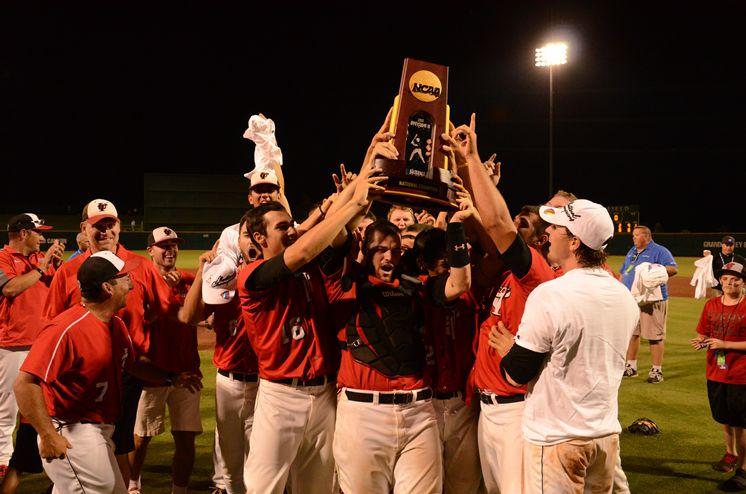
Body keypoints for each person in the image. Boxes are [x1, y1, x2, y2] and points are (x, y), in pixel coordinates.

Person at [238, 159, 386, 493]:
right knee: (263, 487)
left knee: (318, 487)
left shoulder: (312, 270)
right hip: (280, 397)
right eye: (281, 227)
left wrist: (361, 179)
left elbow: (327, 236)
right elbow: (303, 249)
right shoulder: (251, 275)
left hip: (324, 394)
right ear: (259, 237)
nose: (291, 230)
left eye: (291, 224)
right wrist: (353, 202)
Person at [14, 252, 201, 493]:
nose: (131, 282)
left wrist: (170, 378)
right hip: (73, 433)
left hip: (100, 430)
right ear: (107, 287)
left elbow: (132, 364)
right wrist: (48, 435)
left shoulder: (115, 324)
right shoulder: (65, 329)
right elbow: (24, 384)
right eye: (124, 277)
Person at [490, 199, 639, 493]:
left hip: (557, 439)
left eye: (557, 227)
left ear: (574, 242)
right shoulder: (624, 295)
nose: (549, 232)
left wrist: (508, 349)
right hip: (605, 435)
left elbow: (516, 374)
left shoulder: (551, 294)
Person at [442, 113, 555, 493]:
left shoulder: (535, 276)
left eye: (526, 223)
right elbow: (488, 235)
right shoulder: (503, 276)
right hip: (486, 409)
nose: (515, 224)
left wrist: (469, 161)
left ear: (537, 241)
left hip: (515, 409)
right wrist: (470, 179)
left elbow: (498, 229)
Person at [43, 199, 170, 484]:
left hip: (128, 370)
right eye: (98, 226)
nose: (105, 232)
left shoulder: (140, 266)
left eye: (110, 225)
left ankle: (123, 487)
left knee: (120, 440)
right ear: (84, 228)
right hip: (78, 378)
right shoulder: (68, 271)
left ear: (119, 227)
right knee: (78, 443)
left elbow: (164, 312)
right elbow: (50, 325)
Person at [180, 245, 260, 494]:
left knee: (260, 454)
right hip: (229, 379)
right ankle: (224, 486)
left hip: (264, 382)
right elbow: (188, 317)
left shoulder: (268, 283)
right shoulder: (223, 285)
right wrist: (202, 273)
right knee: (228, 452)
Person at [129, 227, 202, 494]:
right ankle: (133, 485)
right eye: (163, 245)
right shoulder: (138, 281)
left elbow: (209, 294)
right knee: (141, 438)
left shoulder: (186, 280)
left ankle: (178, 491)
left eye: (174, 245)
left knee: (186, 438)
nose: (170, 249)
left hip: (188, 370)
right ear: (150, 250)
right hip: (153, 372)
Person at [414, 224, 483, 493]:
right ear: (423, 264)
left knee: (464, 486)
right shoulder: (416, 290)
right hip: (423, 405)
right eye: (447, 264)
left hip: (463, 403)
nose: (454, 271)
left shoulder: (473, 290)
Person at [0, 214, 63, 485]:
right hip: (13, 346)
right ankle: (3, 462)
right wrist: (42, 267)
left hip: (41, 345)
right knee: (7, 410)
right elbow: (11, 289)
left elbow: (55, 289)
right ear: (23, 233)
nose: (42, 237)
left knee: (40, 408)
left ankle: (40, 461)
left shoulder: (38, 260)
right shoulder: (3, 257)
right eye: (38, 232)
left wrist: (56, 268)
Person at [691, 261, 746, 492]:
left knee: (742, 423)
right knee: (723, 417)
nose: (729, 282)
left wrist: (726, 344)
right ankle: (730, 453)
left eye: (734, 278)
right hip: (716, 371)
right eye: (724, 278)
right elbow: (705, 331)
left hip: (741, 375)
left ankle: (743, 470)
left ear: (743, 282)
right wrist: (702, 341)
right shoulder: (711, 304)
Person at [620, 225, 678, 383]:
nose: (633, 238)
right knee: (632, 333)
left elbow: (673, 269)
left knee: (655, 336)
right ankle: (631, 367)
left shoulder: (660, 251)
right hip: (632, 299)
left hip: (653, 300)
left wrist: (655, 271)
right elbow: (624, 271)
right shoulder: (632, 251)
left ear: (646, 236)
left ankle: (657, 371)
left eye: (636, 235)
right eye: (633, 235)